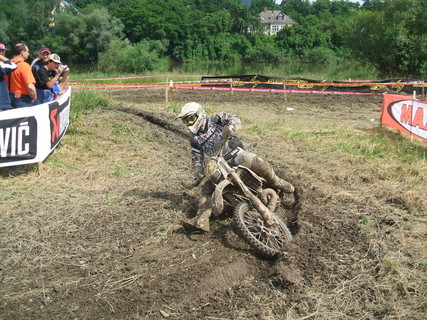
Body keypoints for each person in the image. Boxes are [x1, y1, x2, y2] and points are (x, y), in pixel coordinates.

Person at [176, 102, 295, 232]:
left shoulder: (216, 119)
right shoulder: (194, 138)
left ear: (200, 114)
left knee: (256, 161)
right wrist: (197, 173)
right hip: (219, 163)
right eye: (185, 121)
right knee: (207, 190)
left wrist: (231, 126)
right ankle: (201, 221)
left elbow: (234, 118)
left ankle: (278, 182)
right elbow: (196, 158)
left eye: (191, 119)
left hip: (235, 154)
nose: (189, 123)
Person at [6, 43, 37, 108]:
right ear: (22, 52)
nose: (28, 54)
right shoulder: (24, 65)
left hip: (7, 98)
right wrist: (34, 97)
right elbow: (30, 86)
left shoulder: (6, 65)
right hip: (22, 99)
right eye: (27, 52)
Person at [0, 43, 17, 111]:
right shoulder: (1, 66)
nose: (1, 53)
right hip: (2, 103)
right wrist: (1, 57)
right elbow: (13, 66)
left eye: (2, 51)